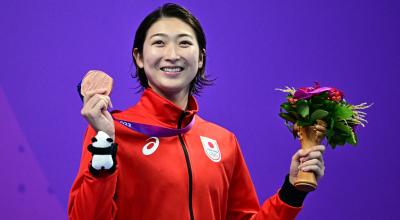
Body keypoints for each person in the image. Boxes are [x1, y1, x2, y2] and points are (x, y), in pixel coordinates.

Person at [68, 3, 326, 220]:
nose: (172, 55)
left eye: (184, 43)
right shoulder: (111, 131)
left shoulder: (224, 142)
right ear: (139, 57)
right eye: (159, 43)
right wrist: (104, 146)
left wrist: (292, 191)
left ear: (200, 58)